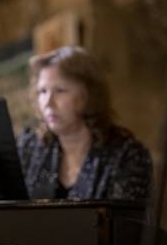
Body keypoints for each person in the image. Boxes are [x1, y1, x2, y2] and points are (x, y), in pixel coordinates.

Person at [18, 45, 152, 202]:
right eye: (43, 91)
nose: (48, 103)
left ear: (88, 94)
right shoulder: (28, 149)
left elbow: (123, 223)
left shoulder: (126, 155)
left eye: (60, 90)